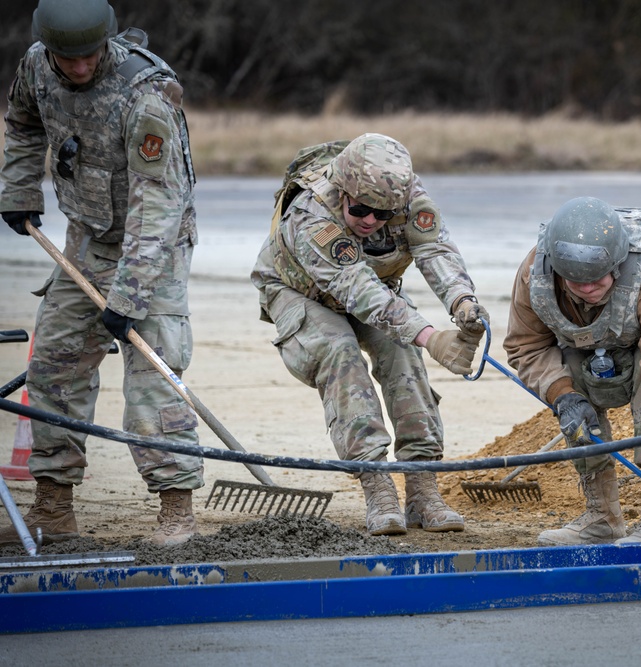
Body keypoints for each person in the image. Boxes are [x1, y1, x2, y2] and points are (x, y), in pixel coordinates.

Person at [0, 0, 202, 546]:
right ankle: (53, 508)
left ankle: (176, 509)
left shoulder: (147, 93)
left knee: (153, 377)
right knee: (53, 368)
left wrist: (129, 294)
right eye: (69, 58)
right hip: (86, 239)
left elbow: (159, 204)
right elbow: (21, 125)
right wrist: (18, 190)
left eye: (89, 56)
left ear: (106, 43)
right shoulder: (38, 66)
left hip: (152, 250)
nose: (80, 67)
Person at [251, 133, 488, 537]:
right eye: (360, 210)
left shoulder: (407, 197)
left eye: (383, 215)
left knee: (403, 353)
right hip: (301, 292)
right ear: (343, 192)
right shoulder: (312, 215)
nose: (371, 222)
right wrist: (431, 337)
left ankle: (422, 486)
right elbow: (357, 290)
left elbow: (436, 251)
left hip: (372, 288)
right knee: (339, 352)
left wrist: (463, 304)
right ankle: (377, 485)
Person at [503, 196, 641, 546]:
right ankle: (602, 516)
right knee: (573, 398)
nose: (586, 289)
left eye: (596, 280)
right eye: (575, 281)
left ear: (616, 264)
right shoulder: (534, 275)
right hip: (588, 337)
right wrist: (564, 396)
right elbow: (527, 346)